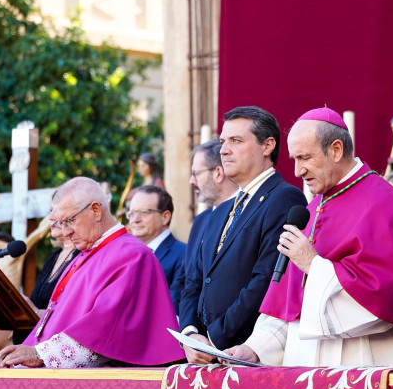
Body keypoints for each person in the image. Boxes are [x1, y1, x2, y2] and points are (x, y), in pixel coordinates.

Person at [222, 107, 393, 367]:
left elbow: (379, 301)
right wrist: (254, 348)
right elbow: (292, 307)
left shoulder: (382, 202)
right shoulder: (314, 207)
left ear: (336, 150)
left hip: (363, 365)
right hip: (308, 369)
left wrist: (312, 264)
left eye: (305, 158)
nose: (297, 171)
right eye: (294, 159)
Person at [0, 177, 183, 368]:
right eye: (60, 224)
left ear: (96, 210)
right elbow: (53, 323)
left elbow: (105, 330)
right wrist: (10, 363)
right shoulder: (85, 255)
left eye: (69, 221)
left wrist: (39, 354)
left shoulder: (131, 255)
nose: (65, 232)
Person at [178, 107, 306, 364]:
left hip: (248, 354)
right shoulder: (220, 211)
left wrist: (214, 339)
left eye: (235, 141)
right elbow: (195, 281)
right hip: (206, 355)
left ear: (267, 145)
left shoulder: (284, 198)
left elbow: (265, 281)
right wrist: (190, 334)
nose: (224, 150)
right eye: (223, 141)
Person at [172, 140, 239, 307]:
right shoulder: (200, 221)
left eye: (196, 173)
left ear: (218, 173)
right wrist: (184, 320)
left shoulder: (245, 214)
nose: (191, 181)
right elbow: (184, 279)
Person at [127, 185, 185, 293]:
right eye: (132, 213)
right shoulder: (128, 255)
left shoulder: (184, 255)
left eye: (144, 212)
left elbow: (176, 301)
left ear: (165, 217)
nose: (135, 219)